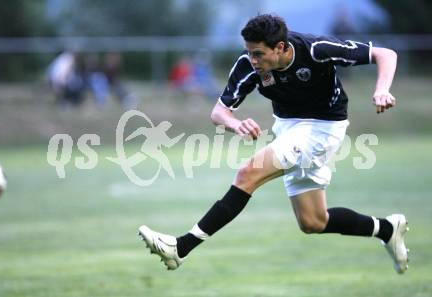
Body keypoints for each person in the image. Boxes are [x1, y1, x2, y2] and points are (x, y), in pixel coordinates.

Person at [138, 14, 409, 274]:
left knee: (248, 173)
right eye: (249, 52)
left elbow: (385, 54)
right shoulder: (248, 64)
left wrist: (381, 89)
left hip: (324, 126)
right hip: (288, 128)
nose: (253, 60)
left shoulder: (317, 49)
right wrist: (235, 123)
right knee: (313, 221)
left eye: (259, 54)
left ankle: (181, 247)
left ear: (280, 47)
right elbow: (218, 112)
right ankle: (386, 229)